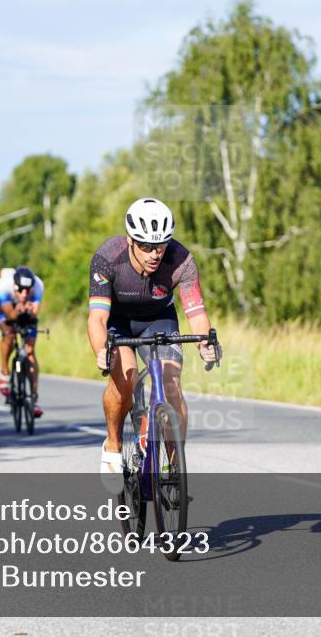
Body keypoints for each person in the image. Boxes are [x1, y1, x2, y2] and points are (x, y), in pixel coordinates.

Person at [87, 198, 219, 475]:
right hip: (119, 323)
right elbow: (97, 318)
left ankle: (174, 465)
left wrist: (205, 342)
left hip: (159, 320)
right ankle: (113, 444)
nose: (154, 254)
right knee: (125, 382)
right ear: (130, 240)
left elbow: (196, 313)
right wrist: (102, 350)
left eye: (161, 245)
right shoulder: (107, 258)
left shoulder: (181, 260)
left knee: (171, 385)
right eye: (146, 246)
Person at [0, 266, 44, 417]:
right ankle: (4, 372)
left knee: (30, 352)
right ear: (14, 286)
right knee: (9, 336)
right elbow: (10, 315)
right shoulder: (3, 286)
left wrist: (29, 311)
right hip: (7, 310)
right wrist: (18, 310)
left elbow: (34, 313)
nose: (24, 294)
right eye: (20, 290)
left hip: (26, 313)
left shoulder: (38, 286)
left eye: (27, 290)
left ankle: (33, 399)